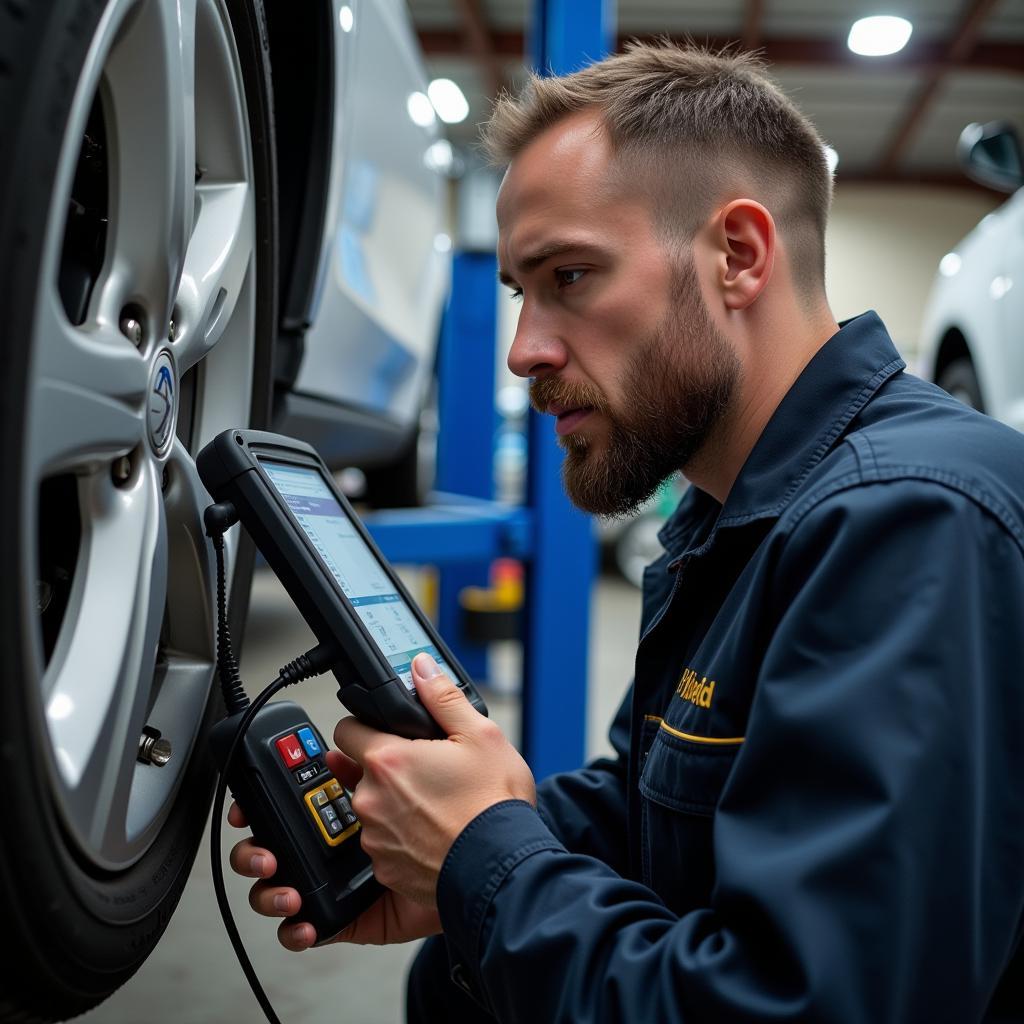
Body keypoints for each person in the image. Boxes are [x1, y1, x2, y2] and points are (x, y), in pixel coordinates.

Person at [229, 43, 1024, 1021]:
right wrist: (465, 834)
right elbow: (664, 816)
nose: (523, 350)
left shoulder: (910, 520)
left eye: (570, 275)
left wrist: (489, 861)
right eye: (524, 291)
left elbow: (804, 1004)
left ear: (736, 255)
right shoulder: (728, 516)